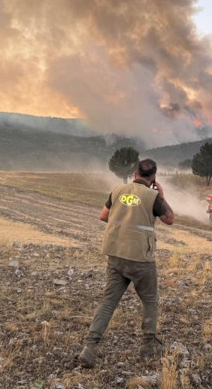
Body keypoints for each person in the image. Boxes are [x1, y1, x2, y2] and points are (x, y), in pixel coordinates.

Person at [78, 158, 174, 368]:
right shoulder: (152, 196)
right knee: (150, 300)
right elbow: (169, 218)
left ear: (135, 174)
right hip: (140, 258)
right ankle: (148, 346)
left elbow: (103, 216)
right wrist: (161, 196)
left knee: (108, 302)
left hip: (116, 254)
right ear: (153, 177)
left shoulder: (118, 190)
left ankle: (90, 347)